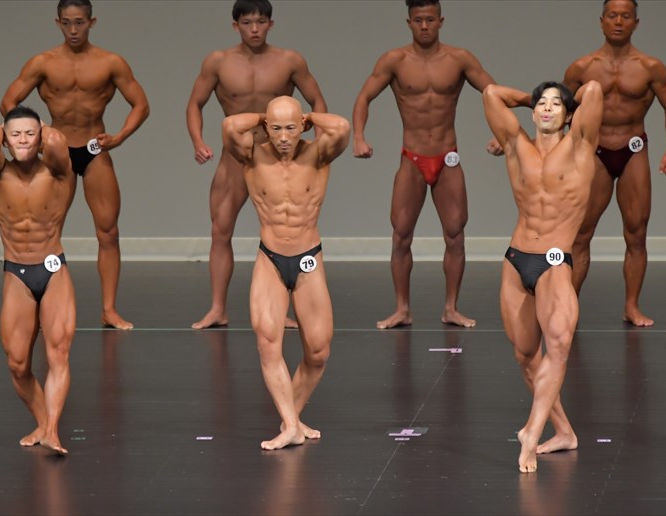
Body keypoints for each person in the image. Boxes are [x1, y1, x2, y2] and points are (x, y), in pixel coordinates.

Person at [1, 0, 149, 330]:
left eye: (79, 22)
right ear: (58, 23)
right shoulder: (43, 62)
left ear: (91, 22)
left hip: (95, 149)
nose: (73, 29)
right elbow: (8, 102)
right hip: (58, 153)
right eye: (66, 23)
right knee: (47, 233)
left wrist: (119, 137)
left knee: (108, 231)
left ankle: (109, 309)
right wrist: (39, 135)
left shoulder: (110, 62)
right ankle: (40, 306)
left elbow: (141, 104)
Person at [352, 0, 498, 329]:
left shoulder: (459, 59)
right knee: (401, 235)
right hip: (412, 158)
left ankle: (451, 308)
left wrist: (500, 134)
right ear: (409, 22)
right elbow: (364, 97)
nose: (424, 26)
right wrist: (358, 137)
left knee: (455, 235)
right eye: (418, 20)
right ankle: (402, 309)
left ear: (441, 21)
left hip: (448, 157)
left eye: (430, 19)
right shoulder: (395, 60)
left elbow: (493, 93)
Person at [482, 79, 603, 472]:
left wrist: (566, 99)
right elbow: (491, 94)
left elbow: (594, 89)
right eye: (542, 104)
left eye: (556, 104)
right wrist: (530, 99)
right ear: (533, 113)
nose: (547, 108)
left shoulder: (581, 144)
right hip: (516, 259)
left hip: (554, 260)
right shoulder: (516, 144)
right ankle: (564, 431)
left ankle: (531, 435)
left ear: (569, 115)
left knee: (559, 345)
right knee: (525, 355)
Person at [187, 0, 327, 330]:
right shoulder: (218, 62)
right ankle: (218, 309)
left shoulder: (289, 60)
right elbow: (195, 103)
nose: (254, 29)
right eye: (247, 23)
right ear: (235, 25)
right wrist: (198, 141)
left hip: (278, 155)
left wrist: (318, 142)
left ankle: (285, 309)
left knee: (287, 234)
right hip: (236, 154)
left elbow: (317, 100)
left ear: (270, 24)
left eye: (261, 22)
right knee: (220, 230)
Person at [222, 96, 349, 450]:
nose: (282, 137)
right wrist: (264, 116)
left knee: (319, 352)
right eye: (275, 128)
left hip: (309, 258)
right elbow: (230, 125)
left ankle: (290, 417)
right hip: (271, 259)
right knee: (267, 342)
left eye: (290, 128)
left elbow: (342, 127)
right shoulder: (251, 155)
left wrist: (308, 117)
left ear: (303, 126)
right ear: (265, 127)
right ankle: (291, 425)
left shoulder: (318, 154)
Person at [564, 0, 666, 327]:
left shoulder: (651, 67)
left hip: (633, 150)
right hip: (595, 151)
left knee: (636, 233)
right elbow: (559, 110)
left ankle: (631, 306)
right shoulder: (582, 68)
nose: (618, 21)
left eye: (625, 16)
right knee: (581, 233)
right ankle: (568, 307)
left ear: (635, 23)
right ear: (602, 21)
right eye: (612, 15)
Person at [0, 105, 76, 455]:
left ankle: (52, 431)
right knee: (18, 365)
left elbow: (59, 143)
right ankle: (43, 424)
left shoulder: (59, 172)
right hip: (16, 273)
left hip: (53, 269)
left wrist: (38, 128)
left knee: (58, 353)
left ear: (41, 136)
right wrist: (9, 130)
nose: (23, 140)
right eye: (15, 135)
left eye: (30, 134)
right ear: (5, 139)